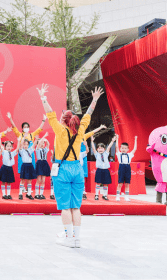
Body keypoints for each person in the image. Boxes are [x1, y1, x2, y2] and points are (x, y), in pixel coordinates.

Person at [37, 83, 103, 248]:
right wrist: (94, 99)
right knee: (76, 207)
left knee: (65, 207)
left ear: (64, 121)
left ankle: (68, 237)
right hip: (77, 169)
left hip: (63, 169)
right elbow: (88, 114)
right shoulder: (80, 131)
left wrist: (43, 97)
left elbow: (49, 114)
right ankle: (76, 238)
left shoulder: (60, 130)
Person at [7, 112, 46, 195]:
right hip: (22, 156)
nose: (26, 128)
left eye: (27, 127)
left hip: (30, 155)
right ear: (22, 128)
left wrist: (43, 120)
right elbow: (14, 127)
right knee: (22, 171)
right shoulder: (19, 134)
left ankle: (28, 188)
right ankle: (23, 188)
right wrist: (10, 118)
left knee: (30, 170)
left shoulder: (32, 135)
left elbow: (39, 129)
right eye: (24, 127)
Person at [81, 125, 107, 199]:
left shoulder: (84, 136)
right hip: (74, 158)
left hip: (83, 157)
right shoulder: (72, 137)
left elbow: (93, 132)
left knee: (82, 176)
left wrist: (101, 127)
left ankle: (83, 192)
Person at [92, 135, 116, 201]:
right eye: (99, 148)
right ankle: (96, 195)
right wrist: (91, 141)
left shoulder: (106, 153)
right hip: (99, 170)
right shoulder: (96, 154)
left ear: (104, 149)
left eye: (102, 148)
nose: (100, 149)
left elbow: (109, 147)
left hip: (106, 170)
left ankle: (104, 195)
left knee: (106, 183)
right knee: (98, 183)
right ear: (97, 149)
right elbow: (93, 148)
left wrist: (112, 141)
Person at [116, 135, 137, 201]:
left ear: (128, 149)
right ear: (120, 149)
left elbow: (135, 149)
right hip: (121, 167)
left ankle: (126, 196)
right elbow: (116, 147)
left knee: (127, 183)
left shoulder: (130, 155)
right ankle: (117, 196)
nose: (123, 149)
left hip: (127, 168)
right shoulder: (119, 154)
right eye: (122, 148)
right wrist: (117, 138)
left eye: (125, 148)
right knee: (120, 183)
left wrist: (135, 140)